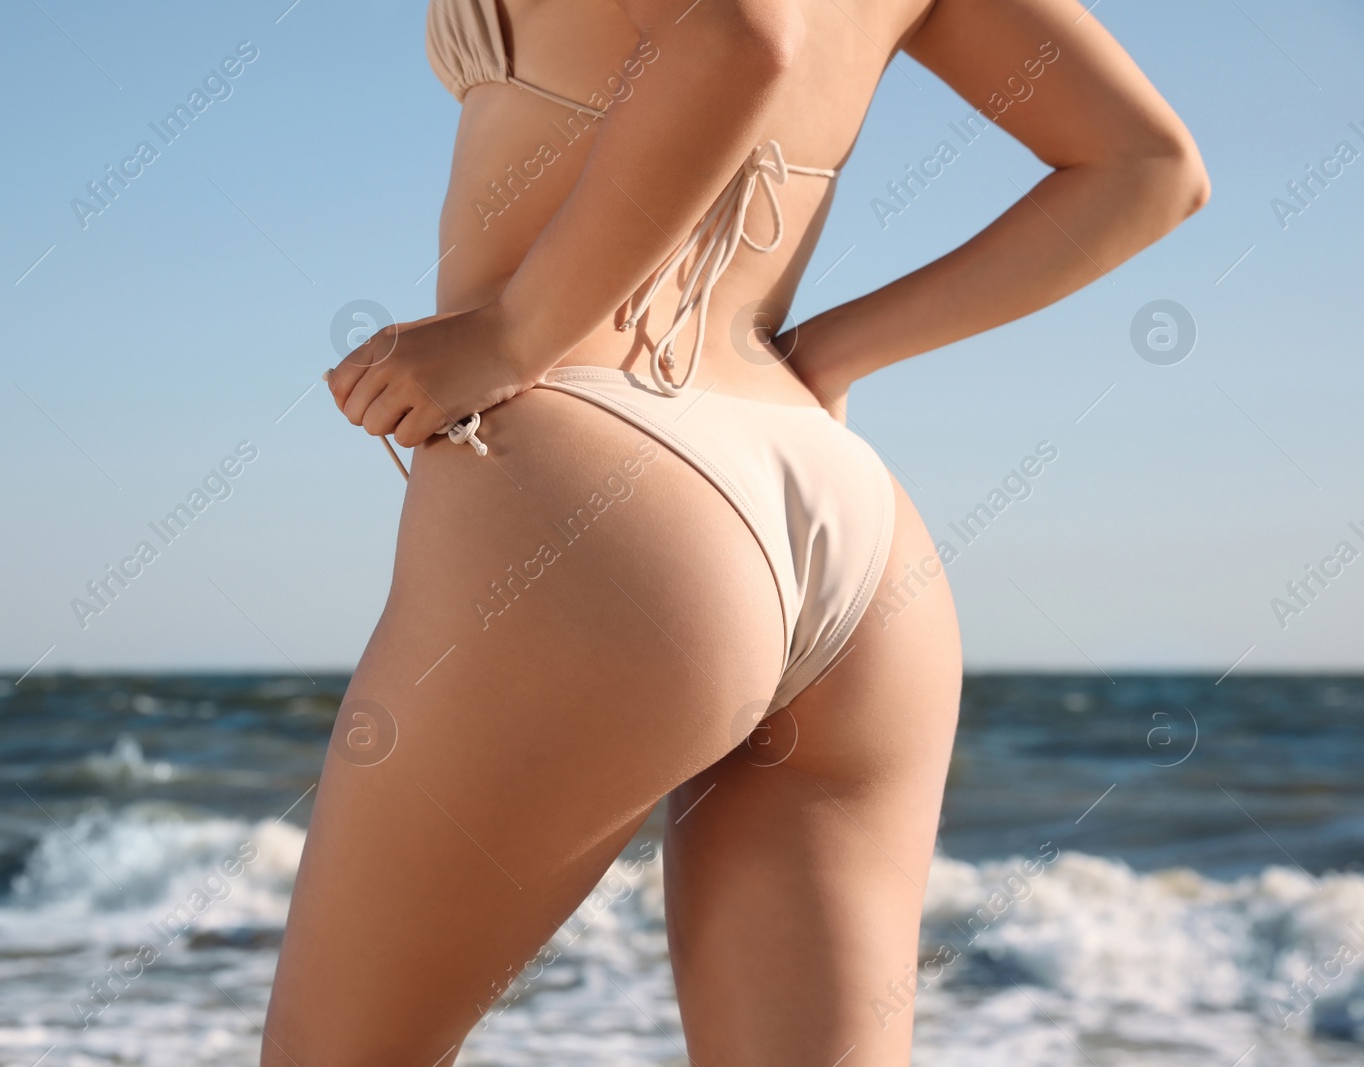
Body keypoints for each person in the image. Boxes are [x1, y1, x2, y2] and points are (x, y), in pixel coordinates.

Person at [265, 0, 1208, 1062]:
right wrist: (834, 353)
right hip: (835, 510)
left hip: (595, 471)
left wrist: (517, 330)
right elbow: (1147, 165)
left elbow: (742, 34)